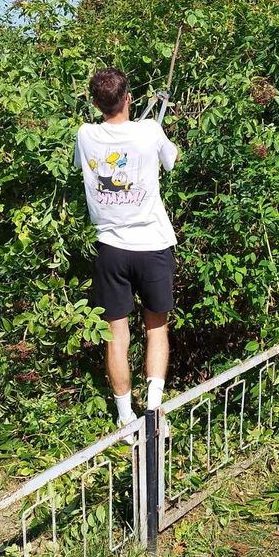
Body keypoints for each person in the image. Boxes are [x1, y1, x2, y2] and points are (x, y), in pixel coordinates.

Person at [75, 68, 180, 432]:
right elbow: (172, 159)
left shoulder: (85, 134)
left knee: (116, 334)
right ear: (128, 98)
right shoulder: (150, 130)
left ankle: (125, 419)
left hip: (111, 250)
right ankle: (153, 412)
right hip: (152, 246)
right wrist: (157, 115)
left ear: (94, 102)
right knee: (156, 329)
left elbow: (94, 155)